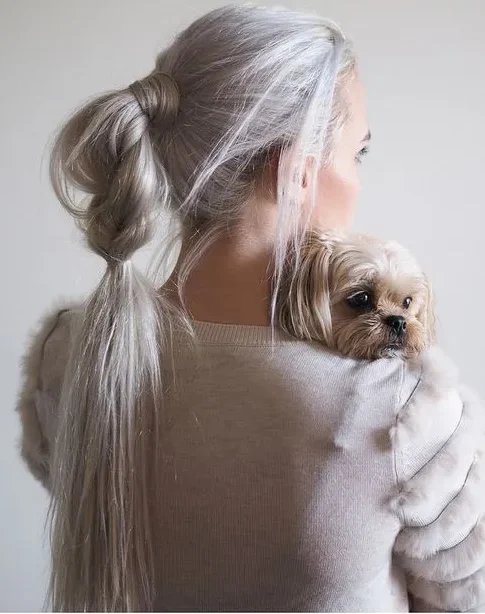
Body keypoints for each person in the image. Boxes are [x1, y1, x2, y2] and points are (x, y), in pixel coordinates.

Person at [14, 4, 485, 612]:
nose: (360, 182)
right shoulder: (403, 409)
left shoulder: (71, 355)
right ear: (294, 173)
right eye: (357, 153)